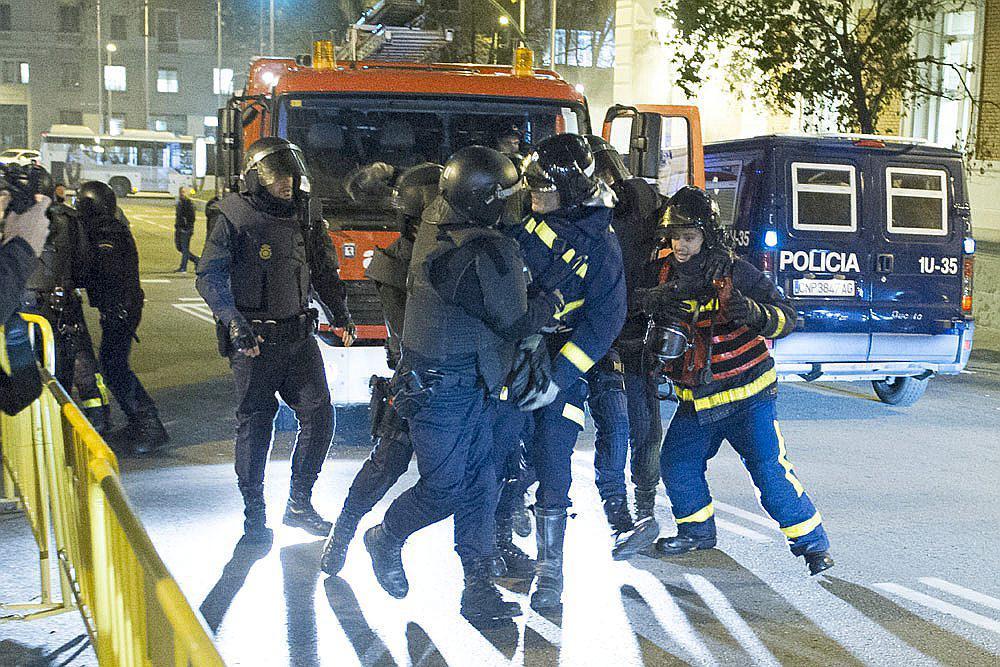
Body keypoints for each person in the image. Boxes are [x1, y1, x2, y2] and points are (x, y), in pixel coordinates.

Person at [363, 146, 563, 624]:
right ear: (485, 201)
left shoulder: (444, 217)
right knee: (446, 489)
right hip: (441, 387)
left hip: (474, 380)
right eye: (507, 195)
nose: (516, 202)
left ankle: (477, 586)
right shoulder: (470, 250)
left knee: (482, 484)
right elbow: (514, 321)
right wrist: (550, 303)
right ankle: (385, 537)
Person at [640, 185, 834, 576]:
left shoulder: (736, 272)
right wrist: (650, 299)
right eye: (675, 236)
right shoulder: (663, 272)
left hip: (749, 397)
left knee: (768, 470)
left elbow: (787, 317)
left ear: (707, 236)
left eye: (689, 237)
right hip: (699, 401)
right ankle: (696, 531)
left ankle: (813, 546)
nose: (680, 245)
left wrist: (753, 313)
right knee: (677, 462)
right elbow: (629, 305)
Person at [196, 137, 356, 544]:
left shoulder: (306, 214)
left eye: (291, 174)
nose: (287, 182)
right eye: (278, 175)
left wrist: (340, 311)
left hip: (298, 337)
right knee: (255, 425)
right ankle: (255, 512)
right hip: (254, 343)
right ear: (257, 178)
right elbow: (209, 275)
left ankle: (299, 504)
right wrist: (233, 321)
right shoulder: (234, 215)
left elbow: (321, 268)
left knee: (320, 417)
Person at [510, 133, 627, 610]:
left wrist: (558, 378)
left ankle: (550, 570)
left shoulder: (601, 243)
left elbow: (605, 319)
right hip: (513, 351)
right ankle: (498, 543)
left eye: (546, 189)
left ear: (572, 189)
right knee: (501, 451)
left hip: (563, 361)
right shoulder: (519, 220)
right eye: (533, 186)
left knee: (555, 454)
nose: (536, 195)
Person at [320, 162, 442, 575]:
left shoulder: (437, 251)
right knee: (386, 463)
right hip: (415, 381)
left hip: (448, 381)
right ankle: (346, 530)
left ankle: (487, 558)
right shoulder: (400, 262)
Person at [583, 135, 665, 544]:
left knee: (638, 428)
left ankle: (638, 513)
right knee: (618, 429)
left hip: (630, 338)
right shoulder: (574, 217)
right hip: (592, 339)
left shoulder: (642, 203)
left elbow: (682, 228)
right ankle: (624, 515)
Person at [76, 181, 168, 454]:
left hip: (121, 309)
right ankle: (140, 421)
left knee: (115, 368)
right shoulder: (110, 228)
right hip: (120, 308)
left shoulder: (107, 234)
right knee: (112, 365)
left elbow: (105, 271)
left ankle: (148, 424)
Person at [21, 175, 109, 432]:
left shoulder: (12, 217)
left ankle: (37, 422)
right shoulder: (68, 219)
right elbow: (84, 263)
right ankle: (96, 417)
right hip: (62, 305)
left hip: (23, 308)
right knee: (79, 361)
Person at [174, 186, 199, 272]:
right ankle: (196, 260)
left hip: (186, 230)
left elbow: (191, 218)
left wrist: (186, 227)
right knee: (179, 247)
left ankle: (183, 267)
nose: (182, 193)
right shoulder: (180, 203)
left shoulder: (189, 203)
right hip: (179, 228)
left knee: (184, 249)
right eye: (181, 192)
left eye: (184, 192)